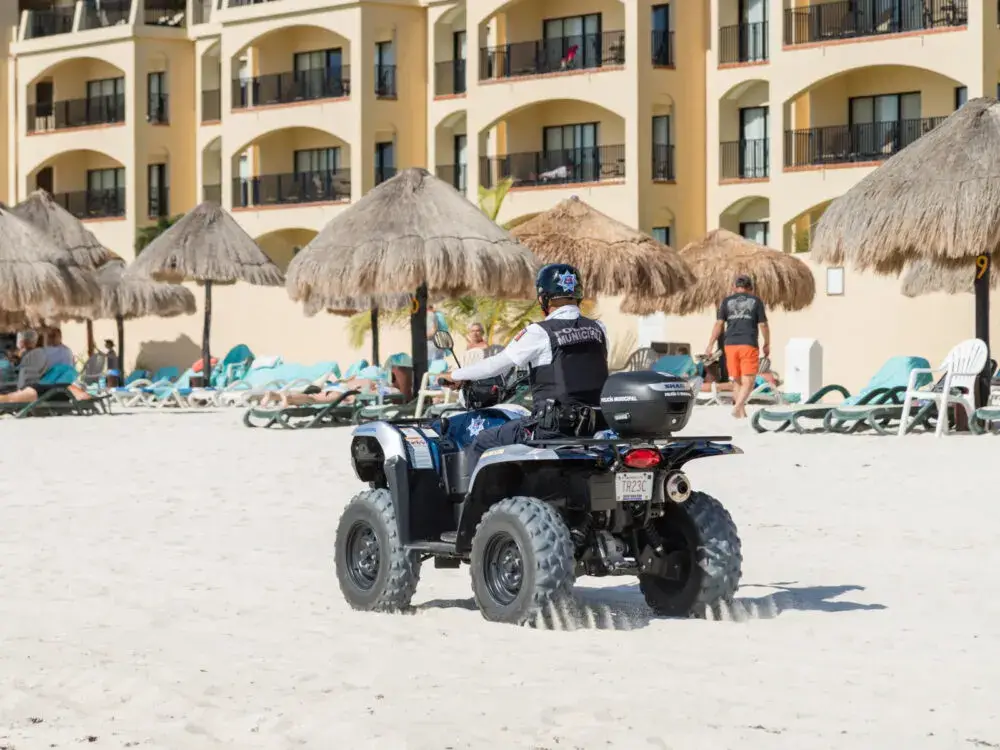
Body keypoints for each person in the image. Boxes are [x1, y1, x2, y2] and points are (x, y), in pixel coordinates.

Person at [439, 263, 608, 463]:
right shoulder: (598, 329)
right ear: (578, 294)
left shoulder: (540, 332)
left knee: (484, 440)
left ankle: (477, 495)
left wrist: (455, 375)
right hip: (596, 425)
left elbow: (497, 364)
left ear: (542, 298)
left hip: (551, 428)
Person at [704, 274, 770, 419]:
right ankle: (737, 406)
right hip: (748, 344)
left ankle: (741, 415)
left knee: (737, 380)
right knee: (749, 380)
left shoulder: (726, 301)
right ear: (750, 288)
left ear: (735, 287)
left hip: (730, 345)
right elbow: (763, 325)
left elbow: (719, 324)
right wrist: (767, 343)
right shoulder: (756, 301)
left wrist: (710, 344)